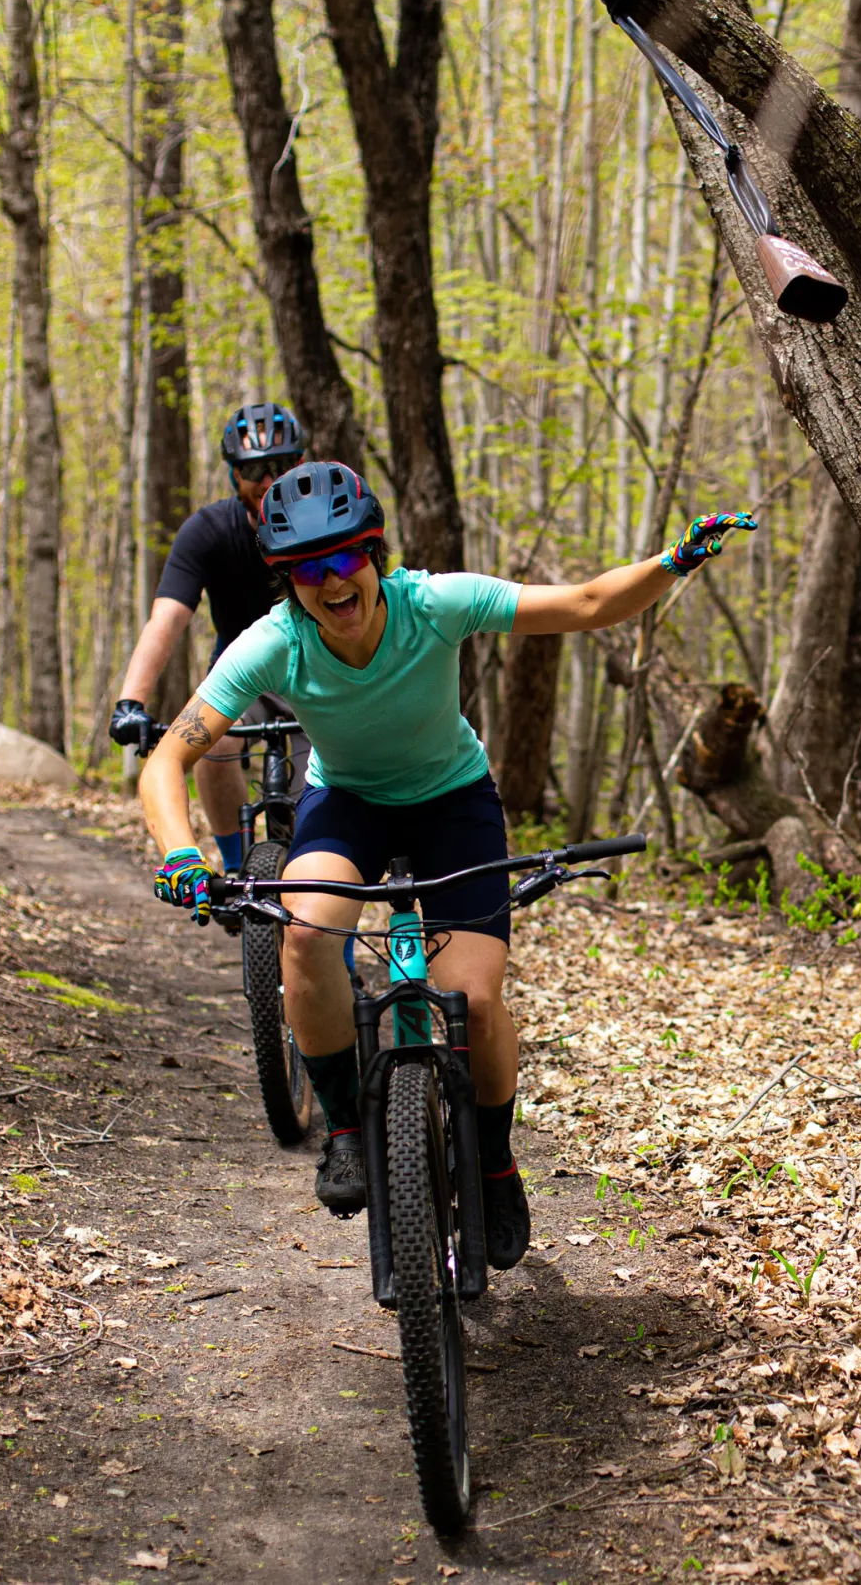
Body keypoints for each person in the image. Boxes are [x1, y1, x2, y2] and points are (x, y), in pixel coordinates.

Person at [134, 459, 755, 1270]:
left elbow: (588, 603)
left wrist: (674, 562)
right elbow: (166, 762)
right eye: (306, 570)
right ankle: (348, 1131)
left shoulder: (433, 603)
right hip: (346, 801)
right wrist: (181, 850)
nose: (331, 581)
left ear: (374, 554)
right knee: (304, 938)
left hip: (452, 800)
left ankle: (494, 1163)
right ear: (286, 582)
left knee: (475, 997)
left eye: (344, 557)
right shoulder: (273, 644)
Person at [108, 403, 311, 877]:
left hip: (317, 678)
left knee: (318, 798)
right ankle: (239, 869)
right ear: (233, 475)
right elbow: (167, 619)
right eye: (254, 470)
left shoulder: (330, 524)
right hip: (242, 680)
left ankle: (322, 921)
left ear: (301, 466)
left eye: (281, 467)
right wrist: (130, 702)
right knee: (212, 745)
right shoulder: (208, 532)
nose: (268, 481)